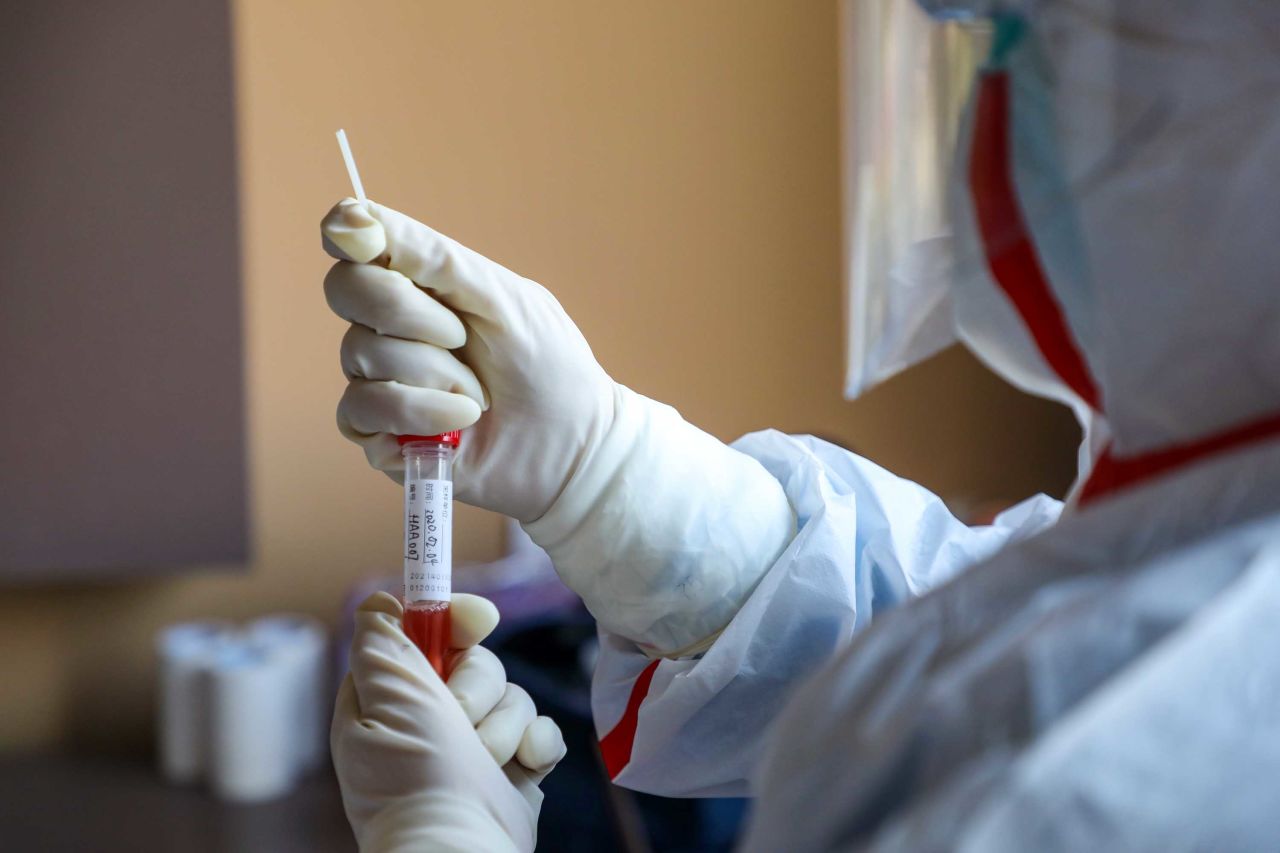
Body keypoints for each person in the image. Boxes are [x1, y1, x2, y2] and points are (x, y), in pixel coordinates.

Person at [323, 1, 1280, 849]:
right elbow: (949, 647)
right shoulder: (1204, 521)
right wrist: (610, 478)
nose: (993, 103)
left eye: (1048, 34)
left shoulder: (1126, 769)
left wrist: (440, 838)